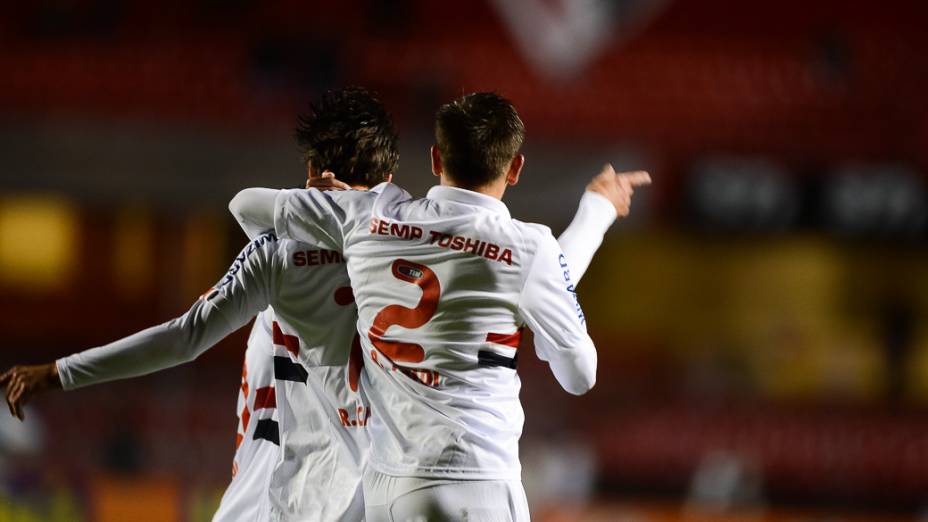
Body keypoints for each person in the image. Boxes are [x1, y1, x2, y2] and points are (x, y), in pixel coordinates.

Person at [2, 89, 638, 521]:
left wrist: (61, 371)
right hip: (385, 494)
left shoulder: (298, 248)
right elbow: (545, 282)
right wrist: (595, 213)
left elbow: (198, 304)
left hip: (286, 499)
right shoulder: (420, 240)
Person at [229, 91, 651, 520]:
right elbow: (579, 375)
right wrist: (595, 212)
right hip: (479, 482)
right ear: (517, 167)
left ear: (435, 159)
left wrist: (324, 204)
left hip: (390, 490)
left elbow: (247, 205)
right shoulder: (527, 248)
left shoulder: (377, 217)